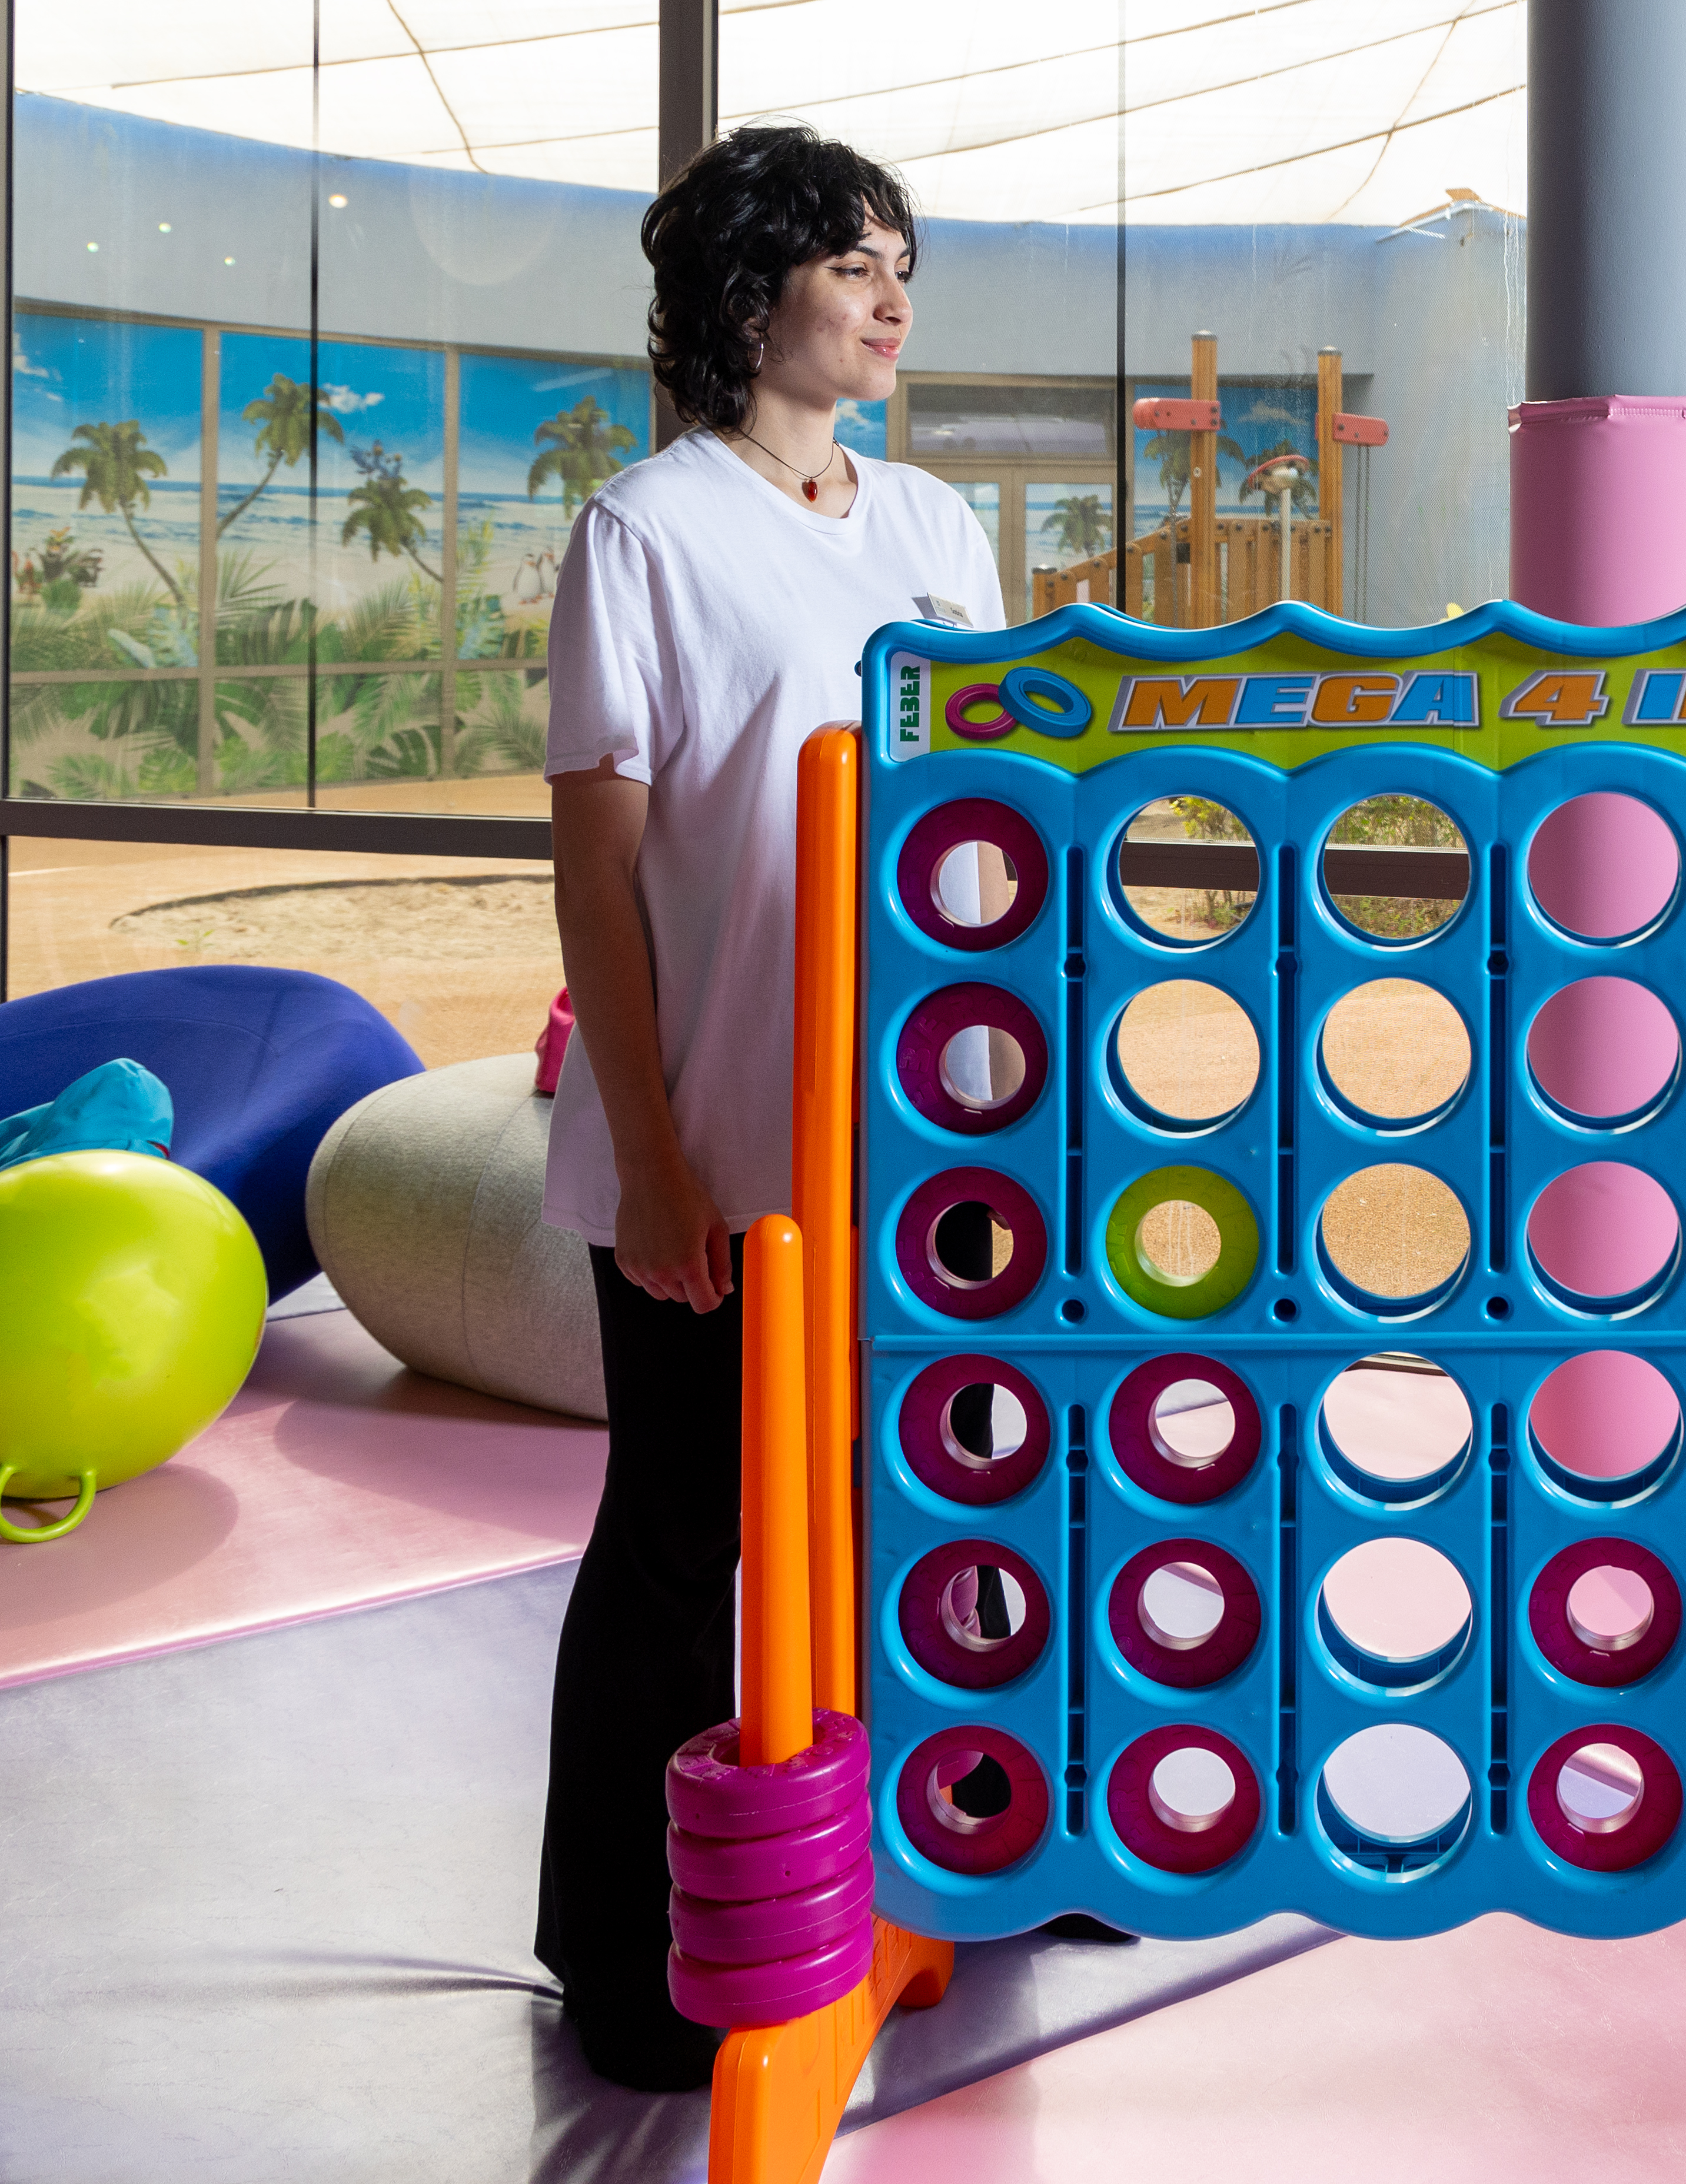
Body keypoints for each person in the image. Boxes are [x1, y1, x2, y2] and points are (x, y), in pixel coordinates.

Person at [536, 123, 1000, 2090]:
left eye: (902, 262)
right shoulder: (645, 531)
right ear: (749, 301)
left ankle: (962, 1859)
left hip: (944, 1141)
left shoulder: (935, 527)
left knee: (950, 1514)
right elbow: (600, 869)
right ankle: (630, 1956)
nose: (894, 298)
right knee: (684, 1541)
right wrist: (651, 1155)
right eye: (854, 264)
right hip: (724, 1153)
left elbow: (998, 833)